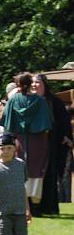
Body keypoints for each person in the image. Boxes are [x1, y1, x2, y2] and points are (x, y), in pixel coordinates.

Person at [1, 73, 51, 207]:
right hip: (37, 140)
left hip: (19, 140)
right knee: (36, 166)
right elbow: (46, 125)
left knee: (18, 165)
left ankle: (18, 198)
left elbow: (5, 121)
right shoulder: (40, 101)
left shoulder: (13, 100)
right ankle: (34, 201)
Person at [30, 73, 72, 216]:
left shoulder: (54, 101)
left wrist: (67, 137)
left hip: (51, 143)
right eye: (33, 82)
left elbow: (64, 121)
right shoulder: (28, 100)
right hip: (33, 144)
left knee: (49, 174)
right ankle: (32, 206)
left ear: (44, 85)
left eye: (38, 82)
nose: (35, 85)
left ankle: (48, 207)